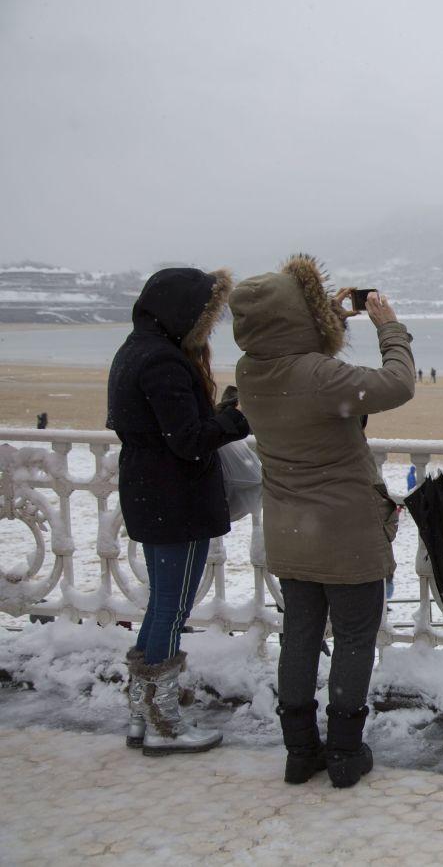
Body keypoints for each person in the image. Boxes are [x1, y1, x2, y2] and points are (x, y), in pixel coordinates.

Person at [231, 254, 415, 789]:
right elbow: (398, 384)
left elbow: (295, 354)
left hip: (290, 533)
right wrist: (389, 328)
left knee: (300, 638)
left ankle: (299, 751)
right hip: (346, 534)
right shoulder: (318, 376)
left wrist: (329, 318)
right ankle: (345, 752)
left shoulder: (250, 371)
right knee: (355, 638)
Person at [107, 266, 249, 755]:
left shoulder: (133, 350)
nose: (207, 329)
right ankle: (164, 722)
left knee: (161, 604)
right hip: (176, 500)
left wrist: (215, 415)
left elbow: (162, 426)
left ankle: (140, 714)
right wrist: (236, 421)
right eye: (206, 318)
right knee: (172, 609)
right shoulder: (164, 362)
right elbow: (187, 440)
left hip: (149, 493)